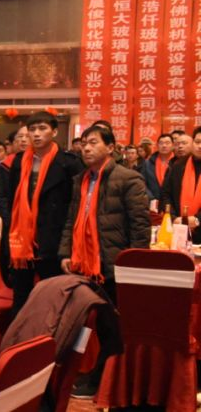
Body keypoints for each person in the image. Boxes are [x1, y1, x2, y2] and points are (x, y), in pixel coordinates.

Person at [57, 124, 149, 398]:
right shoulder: (81, 180)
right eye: (84, 143)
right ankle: (97, 374)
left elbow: (140, 226)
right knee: (96, 324)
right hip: (85, 263)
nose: (86, 148)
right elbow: (71, 219)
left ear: (110, 147)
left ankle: (103, 380)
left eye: (93, 142)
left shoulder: (128, 179)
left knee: (112, 326)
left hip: (113, 264)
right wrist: (66, 252)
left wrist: (133, 266)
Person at [1, 112, 83, 315]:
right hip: (22, 238)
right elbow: (11, 198)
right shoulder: (19, 161)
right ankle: (19, 332)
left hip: (52, 236)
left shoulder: (69, 163)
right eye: (32, 129)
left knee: (52, 295)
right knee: (21, 294)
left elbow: (75, 206)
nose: (36, 134)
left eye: (42, 128)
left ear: (54, 132)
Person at [159, 126, 201, 231]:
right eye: (197, 142)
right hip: (178, 227)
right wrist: (173, 218)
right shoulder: (178, 165)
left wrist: (198, 219)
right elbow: (166, 194)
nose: (200, 146)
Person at [142, 133, 175, 202]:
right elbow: (142, 183)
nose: (164, 145)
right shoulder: (148, 163)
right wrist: (152, 198)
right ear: (157, 145)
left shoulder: (178, 162)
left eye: (167, 143)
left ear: (173, 145)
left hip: (173, 202)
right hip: (153, 201)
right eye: (161, 143)